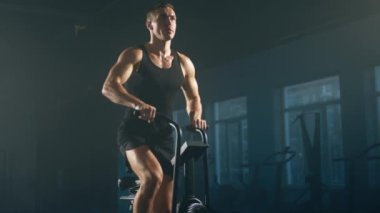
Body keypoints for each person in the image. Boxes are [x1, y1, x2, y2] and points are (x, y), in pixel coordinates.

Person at [101, 2, 207, 213]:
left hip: (166, 136)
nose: (169, 22)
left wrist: (195, 117)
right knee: (152, 177)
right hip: (135, 132)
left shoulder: (184, 63)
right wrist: (138, 104)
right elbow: (109, 87)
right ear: (149, 24)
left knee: (164, 208)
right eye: (162, 18)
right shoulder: (135, 55)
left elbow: (194, 98)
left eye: (173, 18)